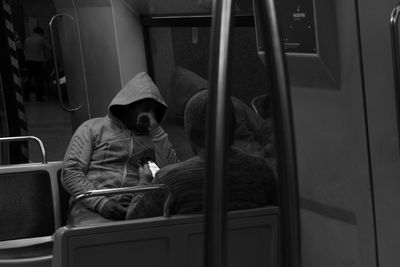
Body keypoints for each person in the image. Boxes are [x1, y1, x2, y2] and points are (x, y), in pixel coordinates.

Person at [126, 90, 277, 219]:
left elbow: (133, 220)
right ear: (233, 127)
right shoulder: (262, 172)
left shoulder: (168, 183)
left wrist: (144, 182)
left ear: (190, 134)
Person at [62, 72, 179, 226]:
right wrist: (100, 203)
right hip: (91, 205)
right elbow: (71, 171)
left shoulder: (154, 138)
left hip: (138, 206)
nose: (148, 116)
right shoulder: (93, 128)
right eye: (145, 109)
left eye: (154, 112)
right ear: (127, 105)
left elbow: (173, 175)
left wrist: (157, 131)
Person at [24, 26, 51, 101]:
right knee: (39, 80)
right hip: (38, 62)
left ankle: (26, 97)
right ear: (40, 33)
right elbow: (50, 48)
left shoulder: (27, 39)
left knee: (28, 80)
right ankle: (39, 97)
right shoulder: (41, 39)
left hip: (28, 62)